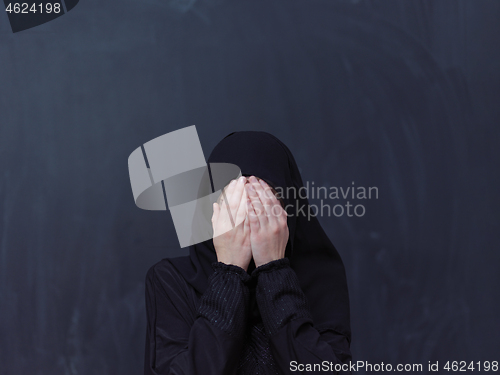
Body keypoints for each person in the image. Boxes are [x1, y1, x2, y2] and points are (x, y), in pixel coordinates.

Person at [144, 131, 352, 374]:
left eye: (265, 202)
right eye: (234, 199)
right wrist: (229, 272)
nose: (250, 214)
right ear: (211, 208)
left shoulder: (319, 280)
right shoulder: (172, 280)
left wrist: (274, 270)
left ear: (288, 211)